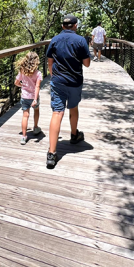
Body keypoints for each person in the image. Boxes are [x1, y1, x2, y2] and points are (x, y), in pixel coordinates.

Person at [45, 14, 91, 169]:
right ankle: (74, 135)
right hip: (75, 82)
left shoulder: (55, 40)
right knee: (73, 107)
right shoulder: (80, 41)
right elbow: (87, 64)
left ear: (62, 26)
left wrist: (54, 76)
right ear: (76, 26)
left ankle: (51, 153)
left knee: (57, 113)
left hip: (58, 81)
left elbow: (49, 62)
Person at [14, 52, 43, 145]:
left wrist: (22, 85)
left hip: (24, 96)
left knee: (25, 116)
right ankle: (35, 127)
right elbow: (37, 87)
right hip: (33, 97)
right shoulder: (38, 73)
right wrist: (35, 99)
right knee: (36, 110)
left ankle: (24, 136)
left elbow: (16, 82)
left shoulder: (22, 71)